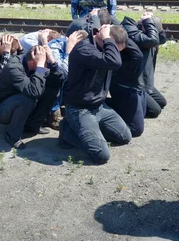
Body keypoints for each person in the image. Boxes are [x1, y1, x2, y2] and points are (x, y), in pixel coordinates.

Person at [58, 23, 132, 164]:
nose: (116, 53)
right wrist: (107, 38)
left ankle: (86, 130)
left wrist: (109, 33)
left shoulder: (105, 48)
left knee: (125, 137)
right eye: (114, 49)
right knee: (101, 155)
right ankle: (67, 132)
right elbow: (114, 62)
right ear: (105, 40)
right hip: (80, 109)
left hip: (99, 106)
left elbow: (129, 54)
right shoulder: (84, 49)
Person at [0, 45, 64, 149]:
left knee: (52, 90)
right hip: (1, 110)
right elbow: (33, 91)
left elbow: (60, 80)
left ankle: (31, 126)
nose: (46, 66)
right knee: (27, 99)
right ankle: (12, 135)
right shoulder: (14, 67)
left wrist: (53, 63)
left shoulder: (34, 64)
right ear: (34, 62)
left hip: (16, 101)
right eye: (45, 63)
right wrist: (40, 67)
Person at [122, 13, 167, 118]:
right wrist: (147, 22)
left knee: (162, 102)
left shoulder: (150, 38)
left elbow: (162, 39)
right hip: (135, 85)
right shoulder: (137, 37)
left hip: (144, 83)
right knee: (154, 111)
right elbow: (152, 40)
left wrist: (150, 22)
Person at [106, 28, 146, 137]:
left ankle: (106, 105)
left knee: (150, 111)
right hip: (123, 89)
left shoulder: (132, 54)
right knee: (136, 130)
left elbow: (138, 55)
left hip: (133, 89)